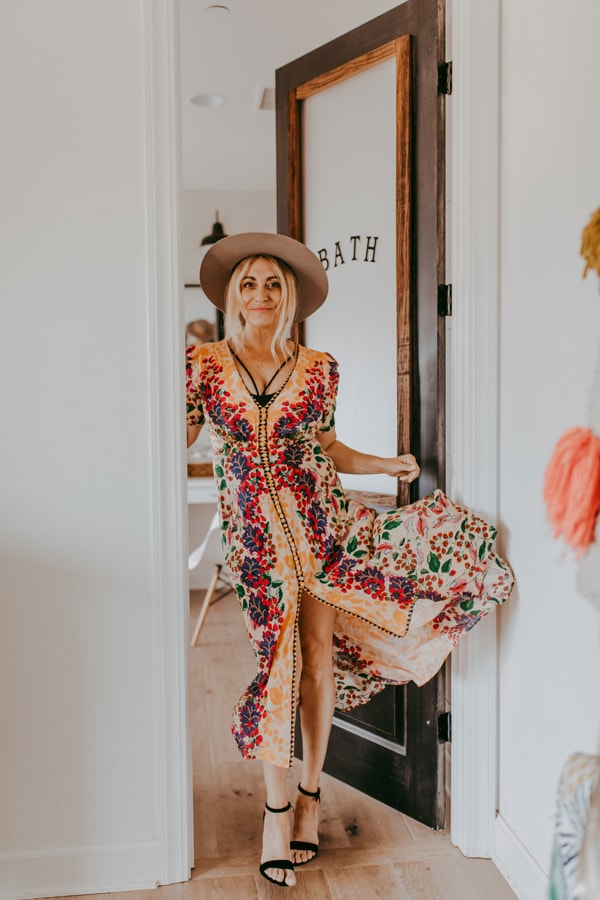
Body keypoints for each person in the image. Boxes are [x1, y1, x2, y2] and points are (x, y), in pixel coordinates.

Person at [186, 232, 514, 887]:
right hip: (255, 539)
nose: (259, 295)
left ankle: (306, 796)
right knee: (278, 662)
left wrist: (382, 463)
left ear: (291, 299)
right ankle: (275, 812)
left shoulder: (319, 367)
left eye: (273, 284)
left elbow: (327, 448)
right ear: (231, 295)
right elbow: (174, 434)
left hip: (320, 524)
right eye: (248, 283)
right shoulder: (203, 366)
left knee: (315, 660)